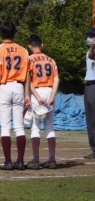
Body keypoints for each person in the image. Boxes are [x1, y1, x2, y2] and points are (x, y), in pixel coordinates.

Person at [0, 22, 30, 170]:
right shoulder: (23, 50)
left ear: (1, 33)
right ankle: (20, 161)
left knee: (5, 127)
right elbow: (27, 74)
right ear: (14, 33)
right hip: (19, 86)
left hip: (4, 87)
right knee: (19, 127)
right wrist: (26, 94)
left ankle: (8, 161)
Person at [26, 34, 59, 169]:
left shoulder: (29, 59)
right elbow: (56, 79)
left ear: (30, 46)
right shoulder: (51, 60)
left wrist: (36, 96)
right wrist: (52, 96)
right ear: (42, 45)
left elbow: (28, 80)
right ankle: (52, 159)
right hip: (50, 91)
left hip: (37, 92)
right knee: (49, 126)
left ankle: (36, 159)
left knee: (35, 126)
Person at [84, 28, 95, 159]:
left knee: (93, 119)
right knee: (90, 119)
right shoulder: (90, 50)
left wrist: (93, 47)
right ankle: (93, 147)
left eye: (91, 36)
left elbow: (92, 56)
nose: (89, 38)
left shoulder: (92, 51)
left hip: (93, 85)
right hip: (88, 85)